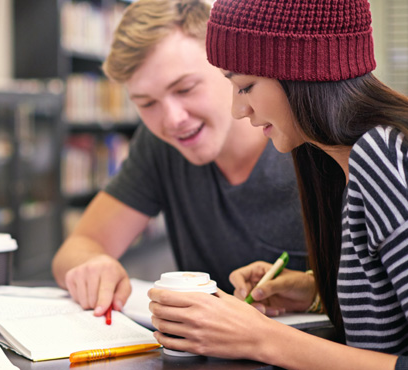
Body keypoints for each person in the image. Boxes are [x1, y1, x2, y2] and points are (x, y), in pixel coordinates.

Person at [148, 0, 408, 368]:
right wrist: (317, 292)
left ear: (303, 68)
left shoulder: (382, 155)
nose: (239, 110)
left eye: (246, 86)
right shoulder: (331, 160)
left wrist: (262, 339)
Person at [51, 0, 308, 317]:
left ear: (227, 68)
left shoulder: (307, 138)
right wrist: (93, 265)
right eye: (146, 103)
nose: (172, 120)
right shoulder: (160, 145)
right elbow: (78, 247)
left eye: (185, 89)